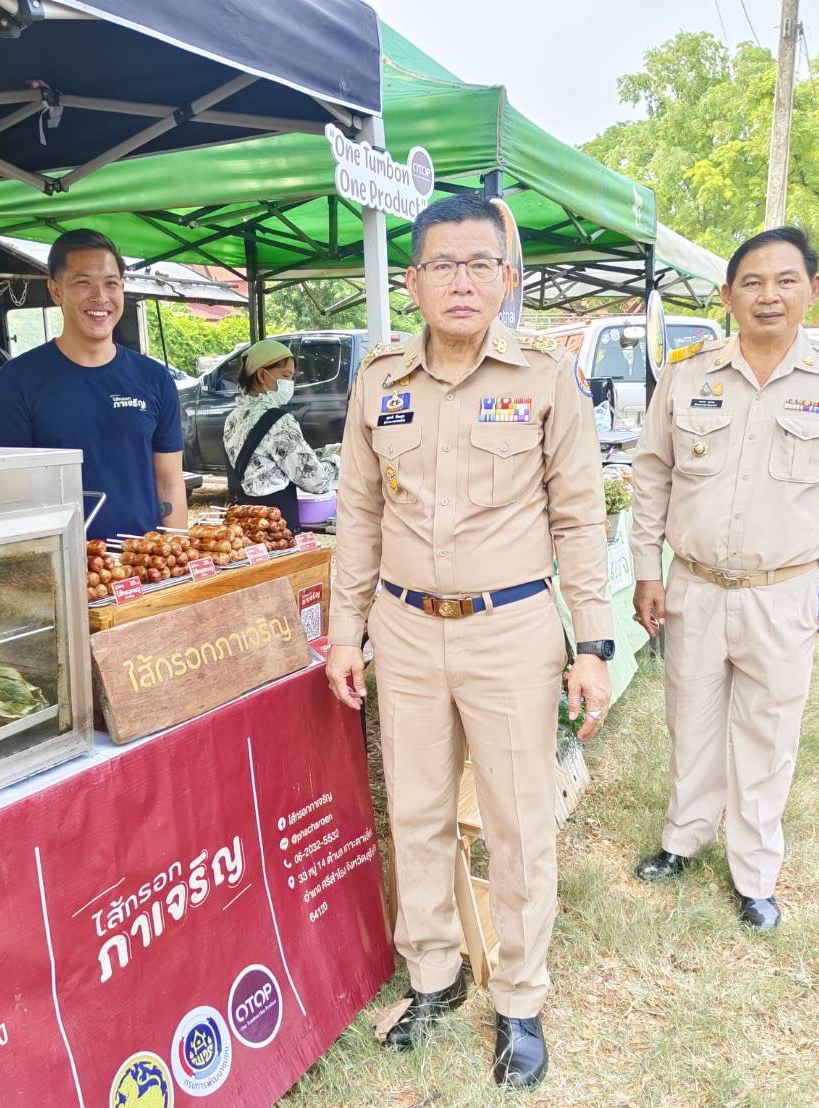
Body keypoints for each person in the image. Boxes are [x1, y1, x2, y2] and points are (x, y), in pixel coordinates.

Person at [325, 195, 613, 1089]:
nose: (459, 281)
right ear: (411, 281)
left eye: (477, 264)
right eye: (440, 265)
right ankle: (435, 978)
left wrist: (593, 643)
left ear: (507, 278)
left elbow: (579, 516)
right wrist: (346, 632)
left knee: (520, 822)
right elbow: (359, 516)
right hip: (406, 630)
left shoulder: (544, 377)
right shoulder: (379, 381)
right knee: (412, 810)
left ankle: (519, 999)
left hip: (511, 629)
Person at [629, 226, 819, 933]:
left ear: (811, 290)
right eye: (751, 282)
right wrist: (645, 570)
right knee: (689, 719)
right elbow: (651, 474)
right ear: (727, 295)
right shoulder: (689, 373)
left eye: (784, 280)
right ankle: (682, 838)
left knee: (767, 733)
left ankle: (753, 873)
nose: (767, 295)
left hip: (784, 590)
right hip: (692, 586)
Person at [0, 229, 187, 539]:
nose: (100, 298)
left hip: (145, 567)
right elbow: (11, 495)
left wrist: (176, 561)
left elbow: (170, 482)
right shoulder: (16, 382)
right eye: (83, 283)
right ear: (55, 291)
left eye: (111, 284)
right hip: (61, 567)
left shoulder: (154, 379)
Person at [222, 338, 337, 530]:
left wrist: (322, 453)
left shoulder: (233, 417)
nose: (290, 382)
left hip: (244, 522)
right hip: (276, 526)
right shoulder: (279, 421)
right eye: (286, 375)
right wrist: (336, 460)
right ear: (261, 374)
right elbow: (315, 481)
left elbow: (271, 463)